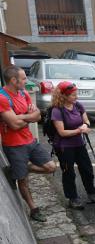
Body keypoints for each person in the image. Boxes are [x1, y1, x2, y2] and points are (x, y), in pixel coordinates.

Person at [0, 65, 55, 221]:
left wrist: (22, 117)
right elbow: (14, 125)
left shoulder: (23, 93)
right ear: (13, 80)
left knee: (50, 167)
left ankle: (19, 170)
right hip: (13, 145)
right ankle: (34, 209)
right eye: (23, 78)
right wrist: (28, 116)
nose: (27, 81)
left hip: (30, 140)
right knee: (22, 180)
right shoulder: (2, 98)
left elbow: (38, 116)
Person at [50, 81, 95, 209]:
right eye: (73, 95)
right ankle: (72, 198)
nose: (76, 97)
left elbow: (86, 120)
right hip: (64, 147)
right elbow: (62, 132)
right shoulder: (57, 110)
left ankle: (92, 193)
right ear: (63, 96)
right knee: (68, 172)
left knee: (87, 169)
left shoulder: (77, 106)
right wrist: (79, 130)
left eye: (76, 94)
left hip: (79, 144)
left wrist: (85, 125)